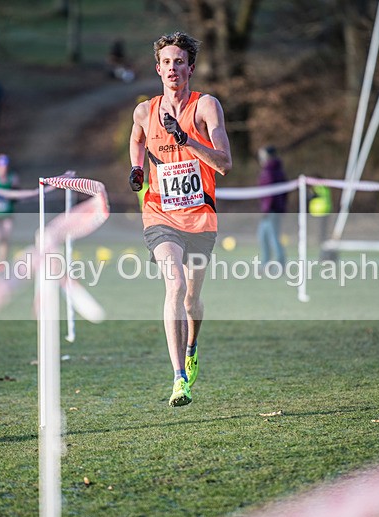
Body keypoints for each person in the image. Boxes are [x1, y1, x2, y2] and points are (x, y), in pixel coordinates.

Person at [128, 31, 232, 407]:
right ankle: (178, 379)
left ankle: (192, 345)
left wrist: (186, 139)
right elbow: (137, 137)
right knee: (173, 287)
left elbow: (224, 164)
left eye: (179, 62)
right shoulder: (145, 110)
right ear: (158, 69)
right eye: (166, 63)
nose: (173, 68)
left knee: (191, 299)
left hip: (201, 217)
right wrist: (136, 169)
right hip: (160, 213)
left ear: (190, 67)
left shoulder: (206, 107)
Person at [256, 145, 288, 267]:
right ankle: (266, 264)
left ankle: (280, 264)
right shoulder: (274, 170)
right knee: (263, 236)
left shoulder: (270, 171)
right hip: (272, 209)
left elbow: (269, 193)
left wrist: (267, 208)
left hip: (271, 210)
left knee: (273, 238)